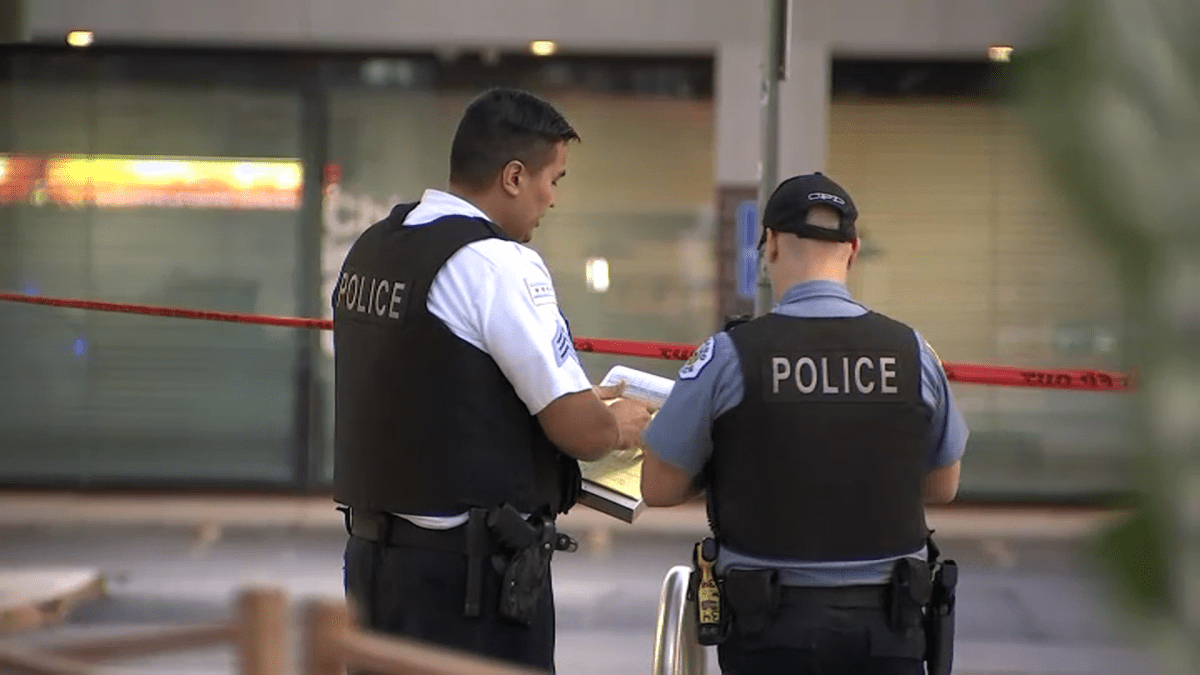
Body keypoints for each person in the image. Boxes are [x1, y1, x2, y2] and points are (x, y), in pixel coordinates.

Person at [331, 87, 655, 671]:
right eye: (553, 179)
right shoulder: (497, 264)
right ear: (512, 176)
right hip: (467, 583)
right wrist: (619, 425)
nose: (552, 199)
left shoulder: (374, 248)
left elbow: (434, 385)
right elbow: (581, 433)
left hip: (374, 565)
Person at [639, 172, 968, 675]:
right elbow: (942, 484)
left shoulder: (729, 356)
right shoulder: (914, 353)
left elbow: (659, 487)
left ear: (770, 244)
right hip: (890, 628)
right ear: (853, 250)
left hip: (770, 629)